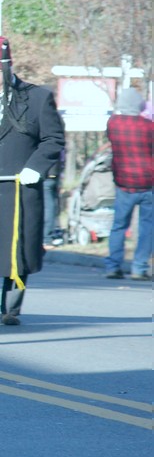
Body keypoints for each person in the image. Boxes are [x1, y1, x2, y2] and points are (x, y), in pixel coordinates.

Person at [0, 38, 66, 325]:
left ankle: (11, 308)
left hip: (19, 189)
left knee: (17, 253)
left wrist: (35, 168)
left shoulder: (37, 97)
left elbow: (53, 139)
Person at [104, 87, 154, 281]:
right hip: (148, 183)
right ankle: (139, 267)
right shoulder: (149, 126)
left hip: (123, 183)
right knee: (147, 227)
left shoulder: (113, 124)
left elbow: (110, 140)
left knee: (119, 225)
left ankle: (113, 265)